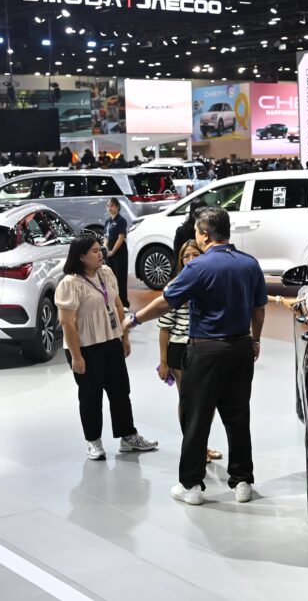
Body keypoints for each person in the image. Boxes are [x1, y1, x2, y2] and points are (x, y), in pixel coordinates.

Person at [125, 207, 267, 506]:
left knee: (196, 418)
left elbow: (165, 302)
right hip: (241, 348)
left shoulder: (198, 266)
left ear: (204, 234)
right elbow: (259, 309)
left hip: (206, 351)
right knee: (238, 417)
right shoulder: (250, 264)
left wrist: (134, 319)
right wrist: (255, 339)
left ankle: (191, 485)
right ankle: (242, 482)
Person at [55, 234, 157, 460]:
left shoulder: (106, 273)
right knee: (90, 397)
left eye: (99, 249)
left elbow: (118, 305)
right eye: (94, 251)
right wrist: (76, 357)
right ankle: (93, 441)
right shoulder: (70, 284)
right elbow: (67, 323)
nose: (100, 253)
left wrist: (124, 336)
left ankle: (128, 436)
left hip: (111, 341)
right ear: (81, 256)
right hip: (85, 347)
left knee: (121, 392)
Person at [158, 241, 223, 465]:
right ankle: (193, 447)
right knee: (189, 402)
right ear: (181, 260)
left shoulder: (210, 281)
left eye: (196, 254)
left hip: (205, 347)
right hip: (180, 348)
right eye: (186, 256)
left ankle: (201, 444)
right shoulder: (174, 285)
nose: (191, 259)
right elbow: (164, 327)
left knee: (208, 401)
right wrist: (163, 361)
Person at [103, 198, 130, 308]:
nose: (109, 208)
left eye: (112, 205)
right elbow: (106, 237)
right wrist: (105, 249)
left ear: (117, 207)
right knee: (110, 278)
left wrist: (113, 251)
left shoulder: (121, 221)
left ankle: (123, 303)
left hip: (119, 253)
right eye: (108, 206)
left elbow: (121, 237)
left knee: (120, 278)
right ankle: (113, 302)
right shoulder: (107, 222)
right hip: (109, 253)